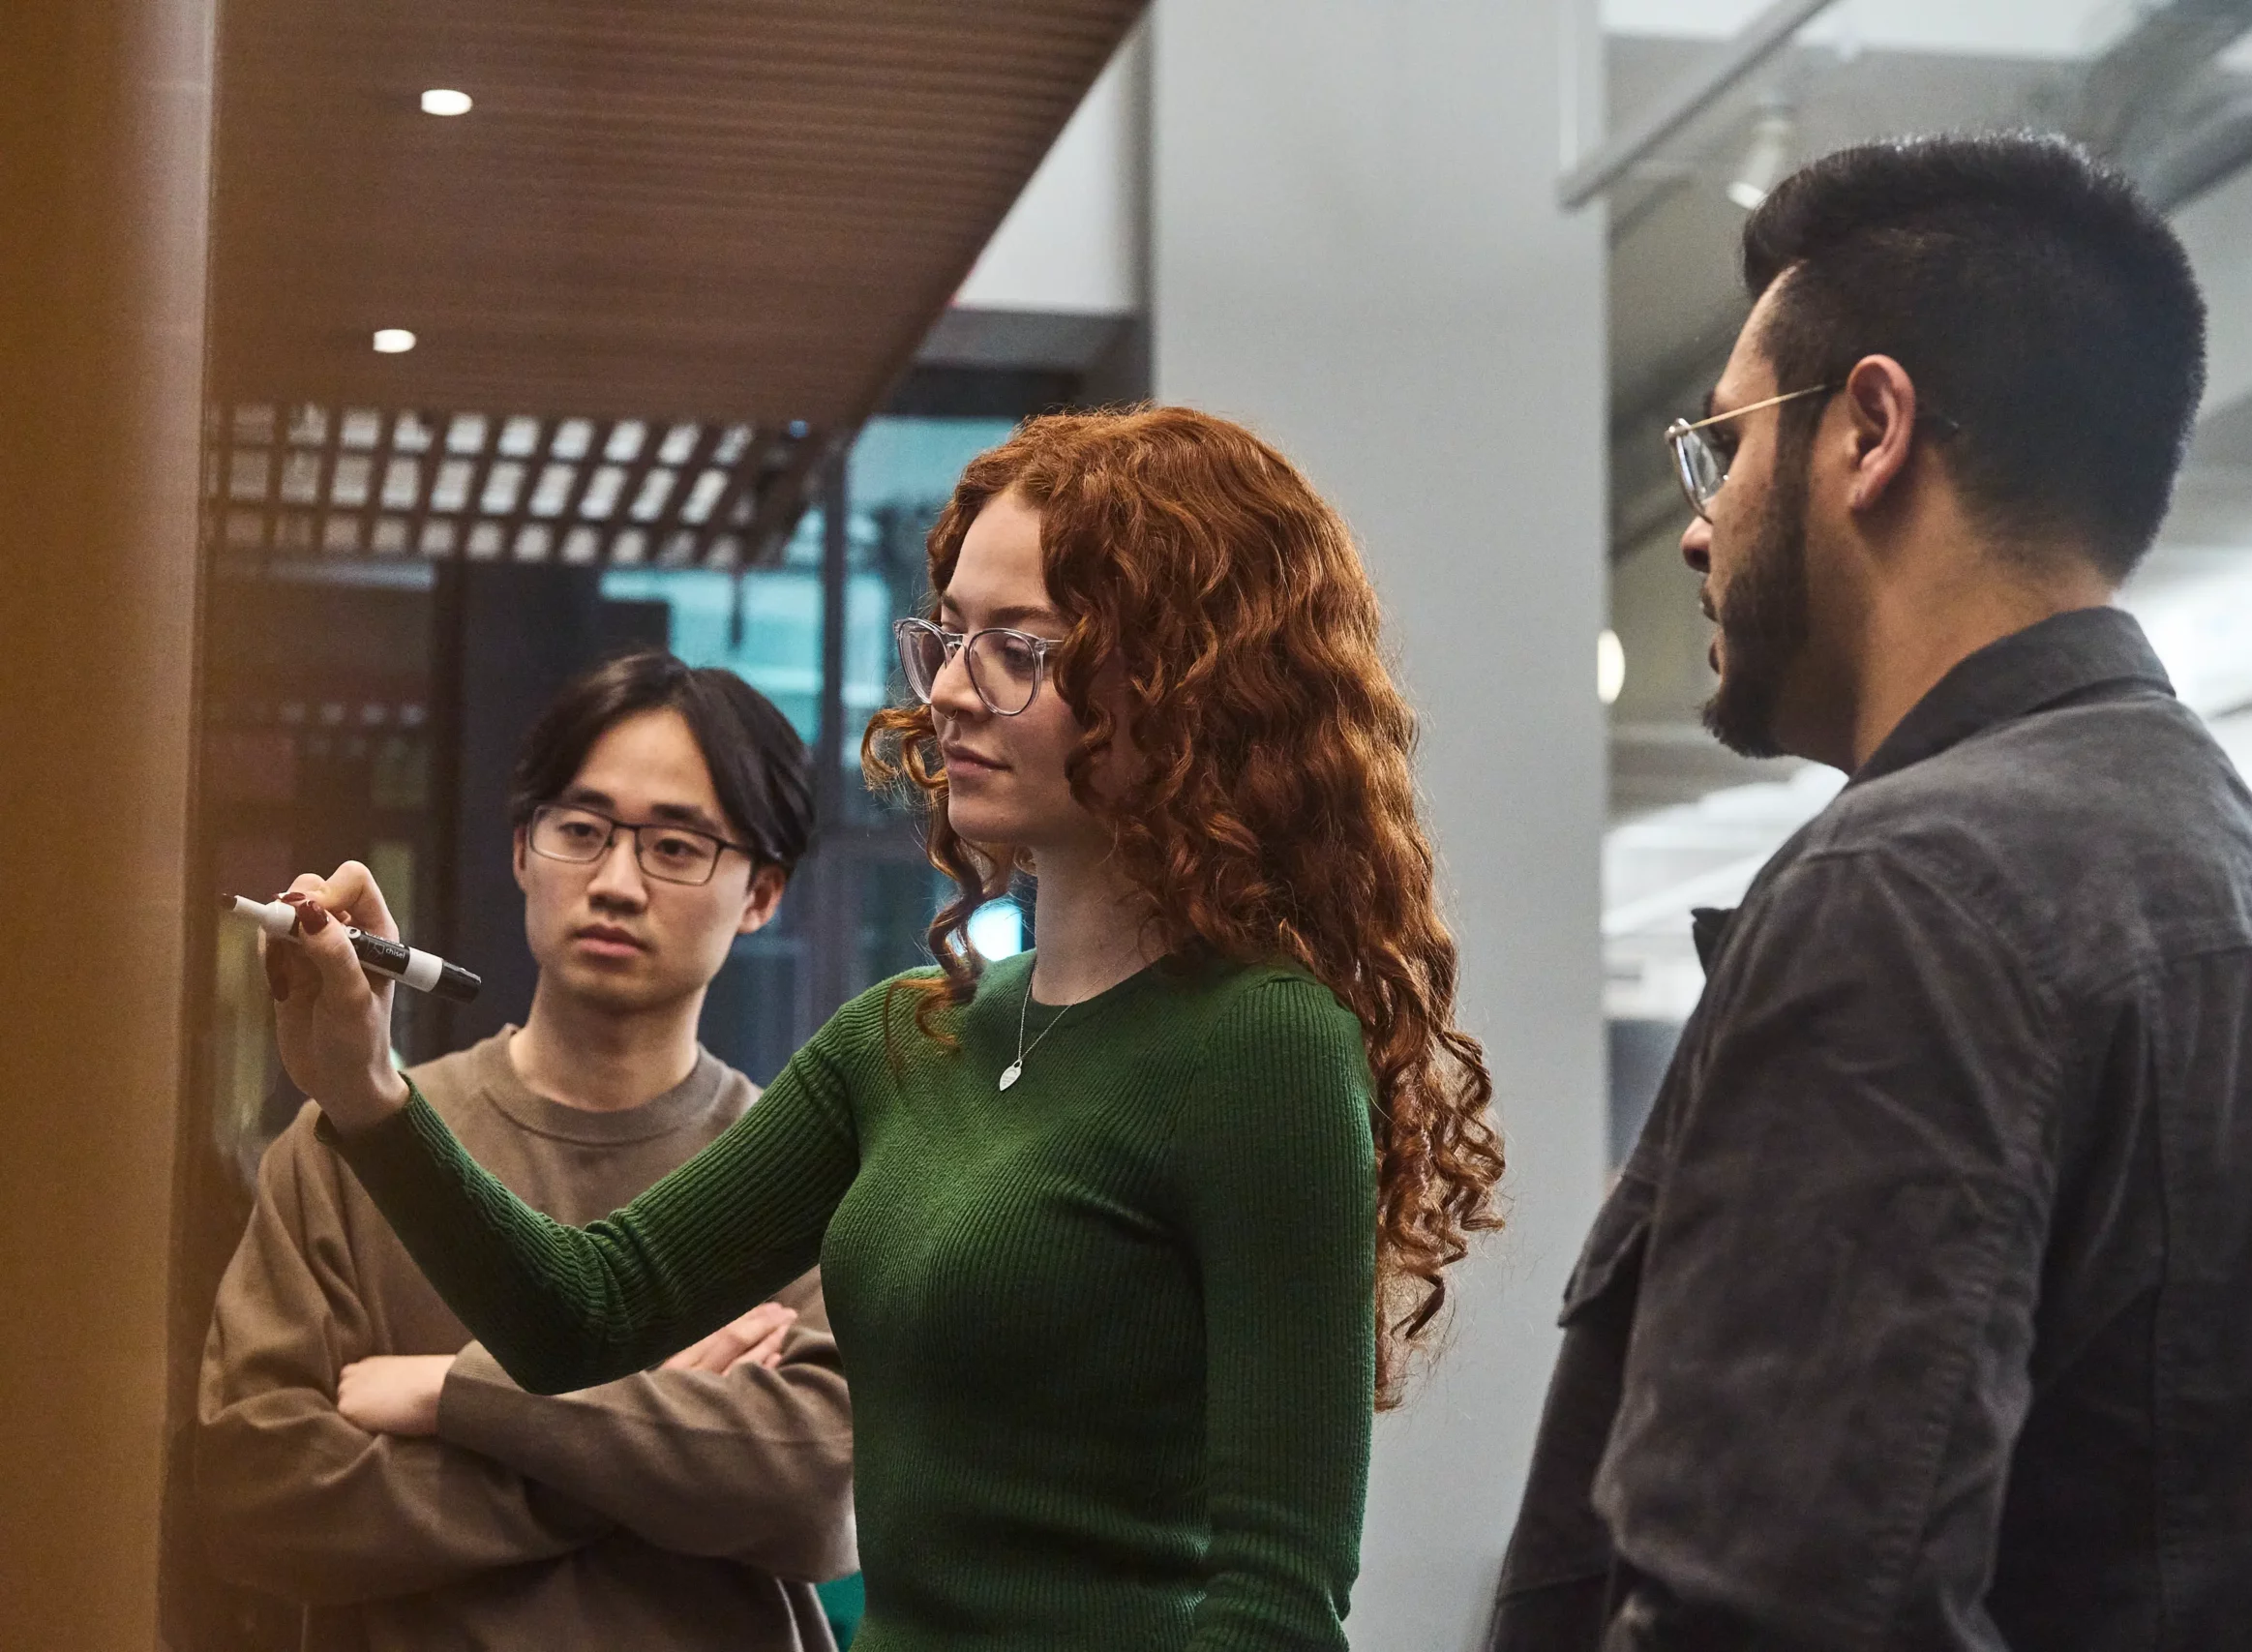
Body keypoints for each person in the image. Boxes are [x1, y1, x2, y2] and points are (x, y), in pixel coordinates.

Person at [255, 405, 1505, 1650]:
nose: (950, 690)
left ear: (1184, 685)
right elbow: (583, 1311)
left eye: (1017, 648)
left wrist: (451, 1393)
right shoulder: (906, 1039)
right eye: (949, 637)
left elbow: (1278, 1599)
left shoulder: (1263, 1045)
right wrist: (365, 1088)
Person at [1492, 135, 2252, 1651]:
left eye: (1724, 445)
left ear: (1871, 428)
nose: (1698, 522)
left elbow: (1774, 1614)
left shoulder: (1911, 890)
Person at [196, 653, 857, 1651]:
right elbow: (260, 1496)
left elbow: (814, 1492)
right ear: (521, 849)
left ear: (762, 892)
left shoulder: (796, 1171)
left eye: (676, 846)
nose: (617, 883)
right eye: (581, 831)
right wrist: (655, 1442)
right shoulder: (356, 1144)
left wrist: (447, 1393)